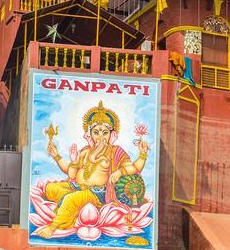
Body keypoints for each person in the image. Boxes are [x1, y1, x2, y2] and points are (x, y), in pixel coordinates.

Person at [34, 101, 149, 239]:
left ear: (112, 135)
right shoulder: (85, 151)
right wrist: (58, 156)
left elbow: (135, 167)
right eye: (96, 132)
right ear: (90, 134)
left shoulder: (115, 152)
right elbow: (71, 173)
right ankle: (67, 208)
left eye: (105, 133)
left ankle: (53, 227)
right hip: (76, 187)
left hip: (96, 194)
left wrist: (135, 160)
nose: (100, 137)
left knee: (71, 199)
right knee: (50, 188)